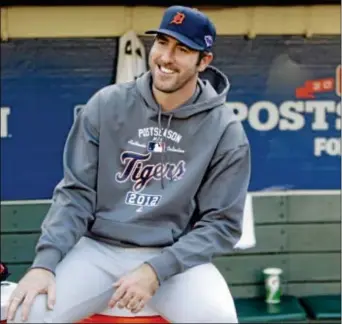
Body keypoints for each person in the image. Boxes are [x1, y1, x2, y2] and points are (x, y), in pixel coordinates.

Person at [6, 5, 251, 323]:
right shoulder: (107, 104)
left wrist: (156, 270)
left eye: (183, 49)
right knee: (27, 315)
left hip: (173, 258)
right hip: (97, 249)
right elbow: (75, 194)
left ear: (204, 61)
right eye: (162, 42)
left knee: (219, 319)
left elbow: (221, 224)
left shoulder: (225, 130)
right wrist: (44, 264)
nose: (166, 57)